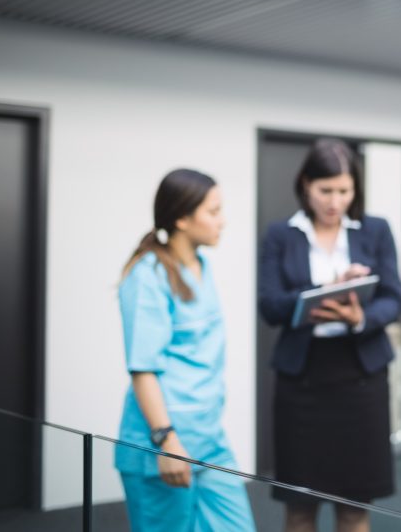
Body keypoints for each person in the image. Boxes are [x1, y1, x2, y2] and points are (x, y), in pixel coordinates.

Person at [258, 138, 401, 532]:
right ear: (306, 184)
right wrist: (326, 289)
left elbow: (395, 298)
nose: (334, 201)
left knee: (354, 506)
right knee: (300, 507)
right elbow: (269, 305)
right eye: (326, 190)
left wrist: (360, 316)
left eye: (344, 190)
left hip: (360, 380)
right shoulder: (281, 234)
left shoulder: (374, 230)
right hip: (301, 382)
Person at [115, 168, 255, 532]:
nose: (222, 221)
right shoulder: (148, 276)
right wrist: (167, 441)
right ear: (182, 218)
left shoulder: (201, 267)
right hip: (164, 442)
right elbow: (143, 370)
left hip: (209, 439)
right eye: (213, 211)